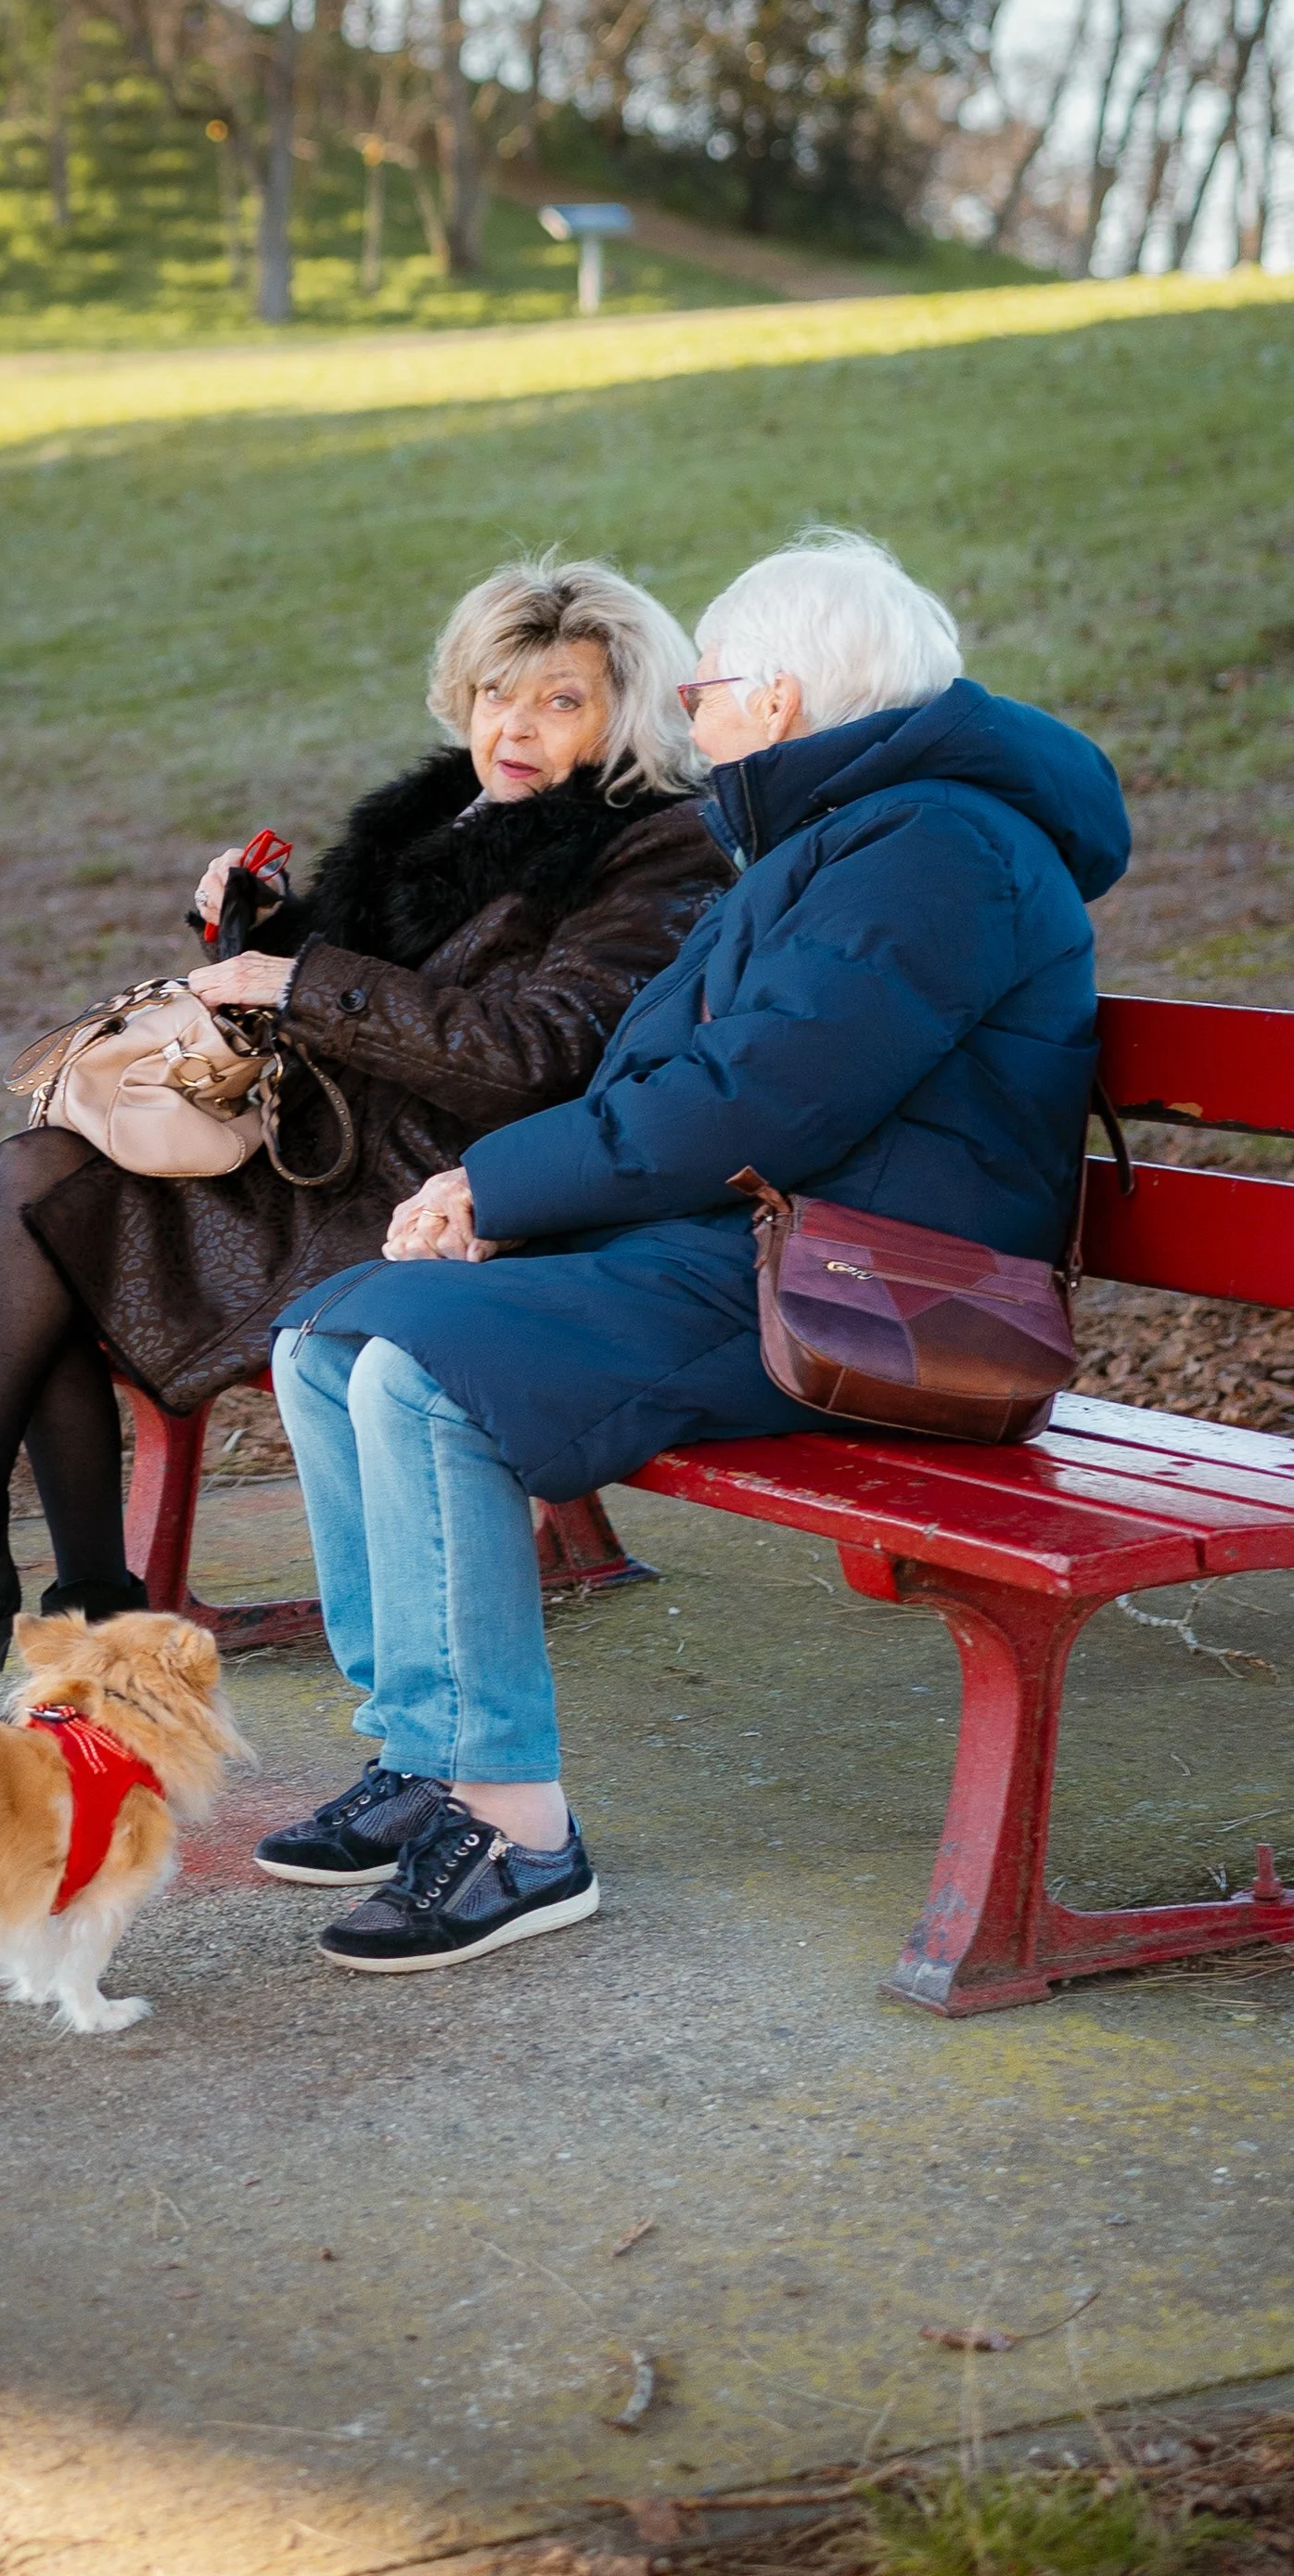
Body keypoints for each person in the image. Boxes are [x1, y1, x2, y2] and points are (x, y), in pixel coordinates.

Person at [257, 529, 1131, 1972]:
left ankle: (518, 1831)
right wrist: (507, 1193)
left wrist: (501, 1185)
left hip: (864, 1296)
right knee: (331, 1333)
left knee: (420, 1369)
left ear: (780, 701)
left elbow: (766, 1095)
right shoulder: (841, 833)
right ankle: (424, 1752)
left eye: (705, 685)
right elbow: (680, 1075)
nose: (686, 713)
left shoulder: (937, 851)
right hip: (750, 1248)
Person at [0, 554, 735, 1672]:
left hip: (441, 1190)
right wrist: (263, 929)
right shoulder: (449, 815)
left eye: (559, 700)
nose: (514, 726)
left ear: (624, 714)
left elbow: (536, 1059)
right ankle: (49, 1578)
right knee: (37, 1176)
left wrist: (304, 978)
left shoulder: (654, 848)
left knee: (48, 1219)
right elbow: (344, 993)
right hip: (329, 1151)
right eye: (495, 693)